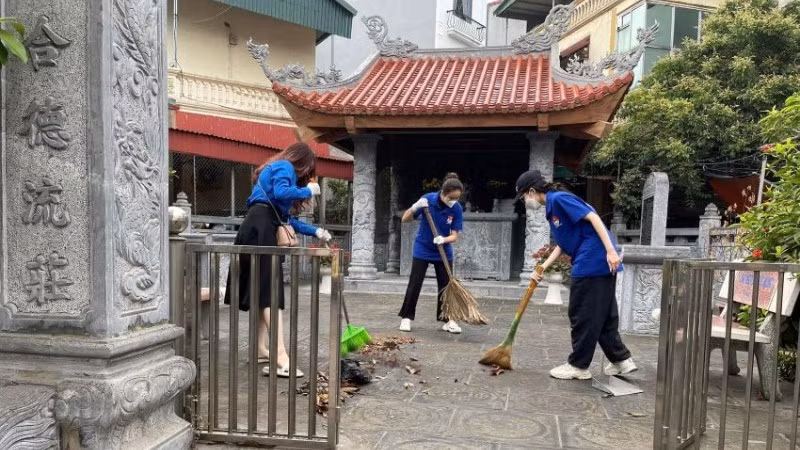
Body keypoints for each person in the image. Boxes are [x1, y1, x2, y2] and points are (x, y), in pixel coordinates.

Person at [514, 170, 636, 380]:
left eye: (524, 197)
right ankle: (621, 360)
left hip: (592, 261)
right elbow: (563, 243)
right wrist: (542, 268)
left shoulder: (559, 199)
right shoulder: (552, 208)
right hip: (596, 260)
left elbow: (594, 218)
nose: (525, 202)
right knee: (603, 314)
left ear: (532, 191)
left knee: (582, 314)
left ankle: (578, 365)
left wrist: (611, 251)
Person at [224, 142, 332, 378]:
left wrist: (315, 232)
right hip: (260, 229)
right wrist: (307, 191)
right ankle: (282, 357)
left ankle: (261, 349)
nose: (305, 176)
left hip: (259, 227)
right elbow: (283, 193)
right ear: (302, 162)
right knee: (271, 293)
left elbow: (286, 219)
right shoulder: (284, 166)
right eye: (308, 170)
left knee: (264, 292)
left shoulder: (275, 173)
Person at [398, 173, 465, 334]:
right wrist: (415, 207)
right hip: (423, 249)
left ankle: (447, 319)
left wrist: (444, 239)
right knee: (415, 283)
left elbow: (455, 235)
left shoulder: (456, 208)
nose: (453, 201)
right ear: (443, 193)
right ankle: (406, 318)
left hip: (443, 250)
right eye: (451, 198)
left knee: (446, 287)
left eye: (456, 198)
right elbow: (405, 219)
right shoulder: (428, 200)